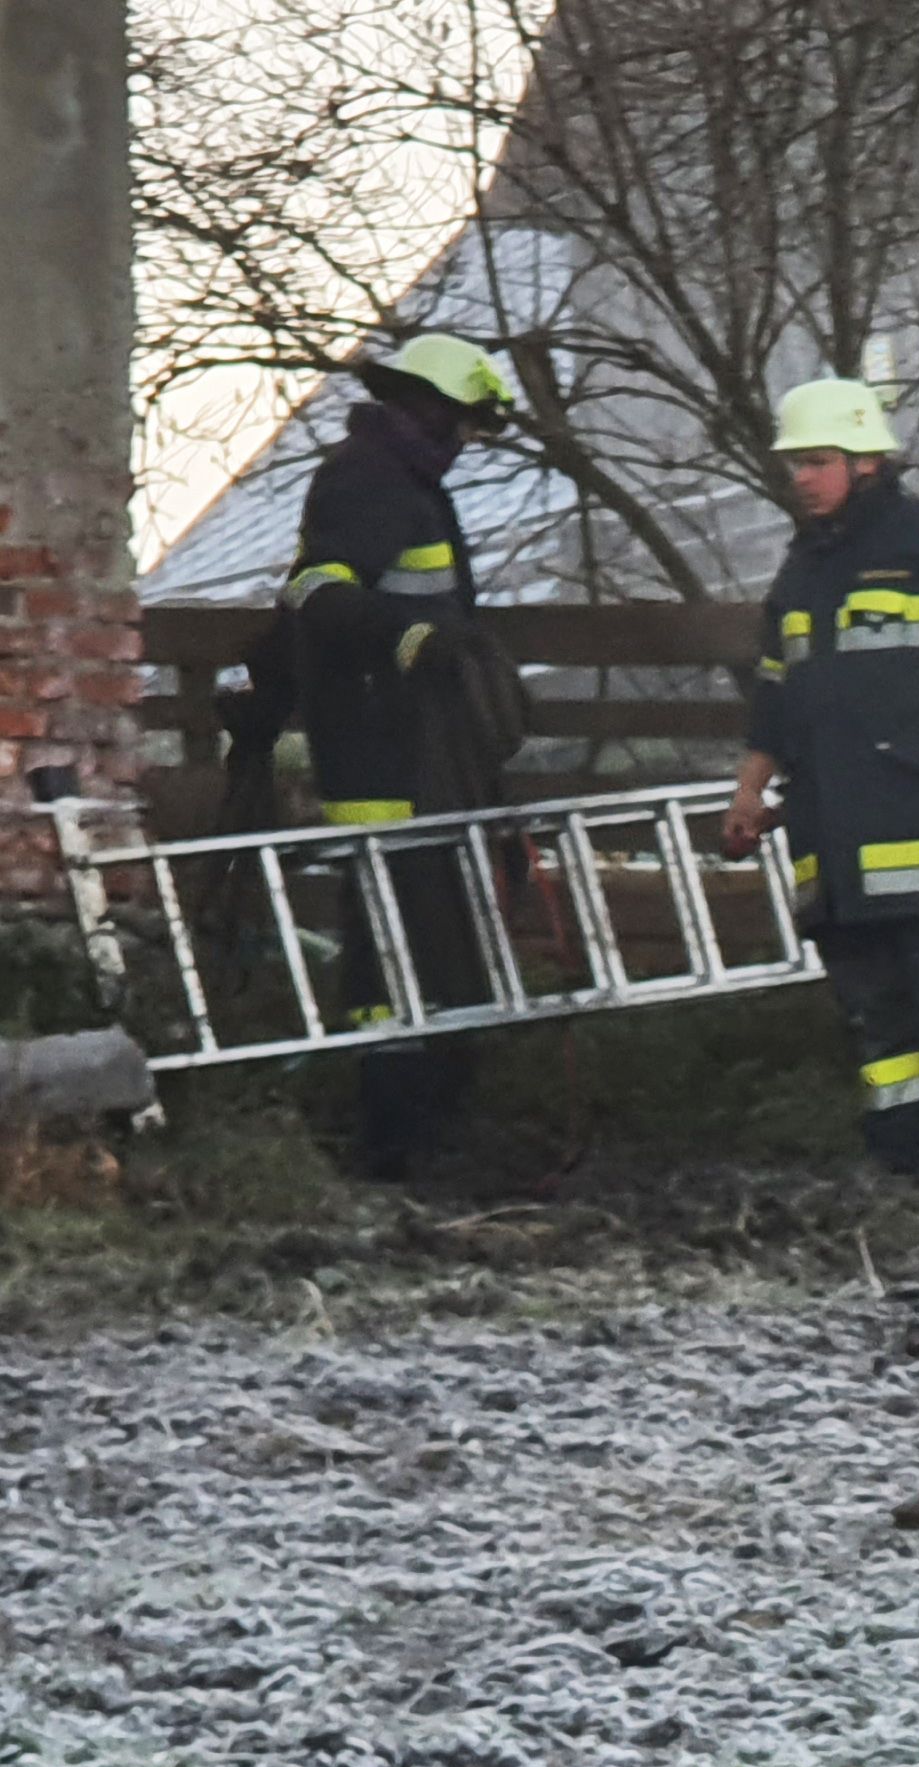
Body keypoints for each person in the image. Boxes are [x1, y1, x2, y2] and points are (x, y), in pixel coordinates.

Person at [723, 377, 919, 1177]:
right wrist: (748, 788)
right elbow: (774, 693)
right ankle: (903, 1169)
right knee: (876, 1020)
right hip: (832, 842)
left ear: (867, 461)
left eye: (818, 461)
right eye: (794, 464)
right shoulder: (801, 573)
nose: (801, 478)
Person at [276, 332, 529, 1180]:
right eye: (458, 423)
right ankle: (397, 1138)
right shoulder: (366, 481)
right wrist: (415, 640)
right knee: (399, 952)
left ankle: (425, 1129)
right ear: (426, 409)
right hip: (384, 762)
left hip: (424, 760)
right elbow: (318, 592)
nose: (462, 442)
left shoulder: (405, 483)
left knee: (432, 948)